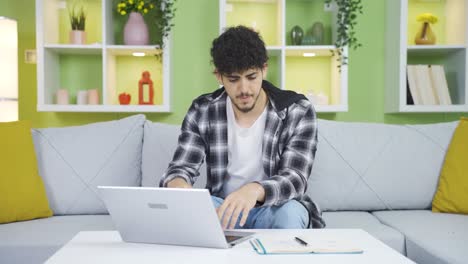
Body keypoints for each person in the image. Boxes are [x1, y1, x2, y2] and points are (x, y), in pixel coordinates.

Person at [160, 25, 325, 229]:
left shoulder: (298, 110)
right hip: (224, 207)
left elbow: (295, 178)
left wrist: (253, 190)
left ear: (264, 69)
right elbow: (181, 167)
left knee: (290, 215)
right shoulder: (203, 110)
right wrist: (178, 186)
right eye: (233, 79)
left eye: (251, 77)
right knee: (183, 212)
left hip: (276, 207)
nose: (244, 89)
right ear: (219, 76)